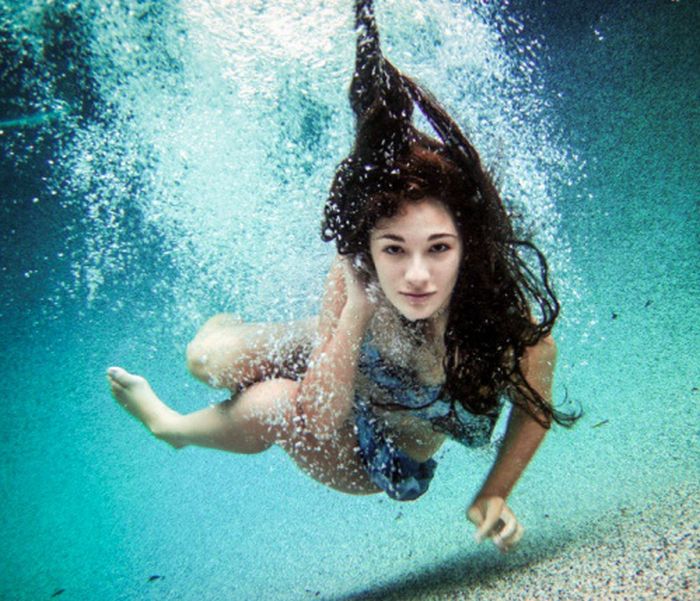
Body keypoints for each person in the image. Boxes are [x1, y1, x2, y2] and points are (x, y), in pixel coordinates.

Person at [107, 0, 578, 554]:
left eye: (440, 248)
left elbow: (530, 411)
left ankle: (173, 429)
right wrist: (354, 312)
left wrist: (493, 493)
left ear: (466, 246)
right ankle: (222, 327)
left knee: (274, 404)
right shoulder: (355, 277)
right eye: (394, 250)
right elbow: (324, 402)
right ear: (371, 252)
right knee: (207, 361)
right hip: (338, 356)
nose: (418, 275)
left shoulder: (509, 330)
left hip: (370, 452)